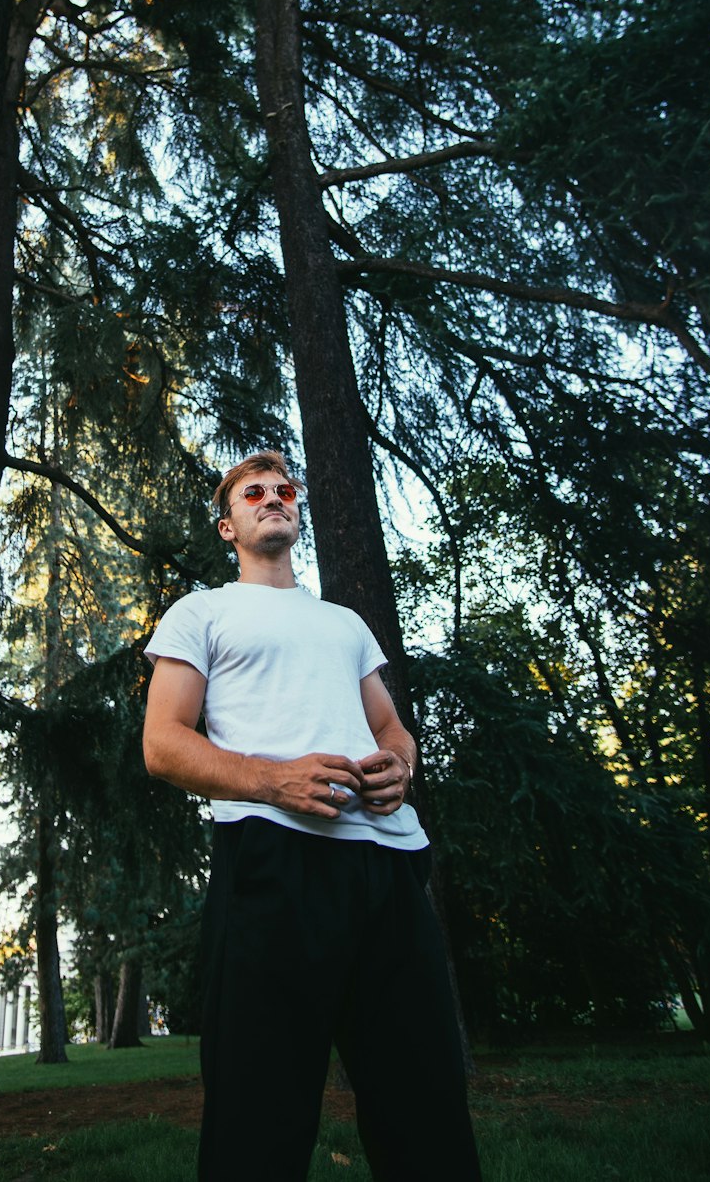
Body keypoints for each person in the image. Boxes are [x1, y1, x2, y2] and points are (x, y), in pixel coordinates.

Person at [142, 450, 482, 1181]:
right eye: (253, 492)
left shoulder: (345, 622)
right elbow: (164, 744)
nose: (273, 498)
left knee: (425, 1101)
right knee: (258, 1110)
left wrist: (401, 763)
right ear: (228, 525)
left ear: (297, 513)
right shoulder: (201, 611)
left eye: (285, 490)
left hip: (389, 866)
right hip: (273, 861)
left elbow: (391, 728)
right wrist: (271, 782)